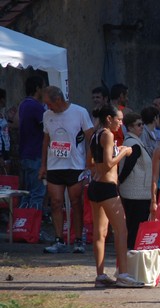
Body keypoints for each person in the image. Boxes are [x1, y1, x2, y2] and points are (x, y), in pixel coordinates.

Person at [88, 104, 143, 288]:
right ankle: (124, 275)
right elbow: (110, 163)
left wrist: (104, 164)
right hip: (107, 188)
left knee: (100, 233)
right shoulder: (108, 134)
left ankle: (100, 275)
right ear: (109, 118)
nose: (121, 123)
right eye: (118, 119)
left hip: (95, 185)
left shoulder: (95, 134)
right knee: (122, 230)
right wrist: (124, 152)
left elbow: (92, 161)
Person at [39, 86, 94, 254]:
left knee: (76, 202)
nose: (48, 107)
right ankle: (58, 239)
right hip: (55, 166)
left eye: (49, 103)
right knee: (55, 203)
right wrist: (43, 165)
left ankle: (78, 239)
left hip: (75, 165)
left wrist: (89, 163)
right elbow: (45, 140)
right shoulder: (47, 115)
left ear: (58, 100)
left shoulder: (79, 112)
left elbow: (91, 137)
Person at [119, 113, 153, 249]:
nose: (142, 127)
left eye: (142, 124)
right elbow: (128, 166)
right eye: (138, 125)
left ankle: (132, 253)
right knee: (136, 226)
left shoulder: (134, 142)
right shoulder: (133, 143)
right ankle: (132, 254)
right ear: (130, 127)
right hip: (137, 193)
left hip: (136, 191)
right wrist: (119, 180)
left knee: (134, 225)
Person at [18, 75, 46, 210]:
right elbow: (47, 128)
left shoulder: (23, 104)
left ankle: (22, 225)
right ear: (37, 88)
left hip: (25, 154)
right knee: (37, 193)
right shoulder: (36, 107)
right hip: (36, 154)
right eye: (43, 87)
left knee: (26, 193)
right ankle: (33, 227)